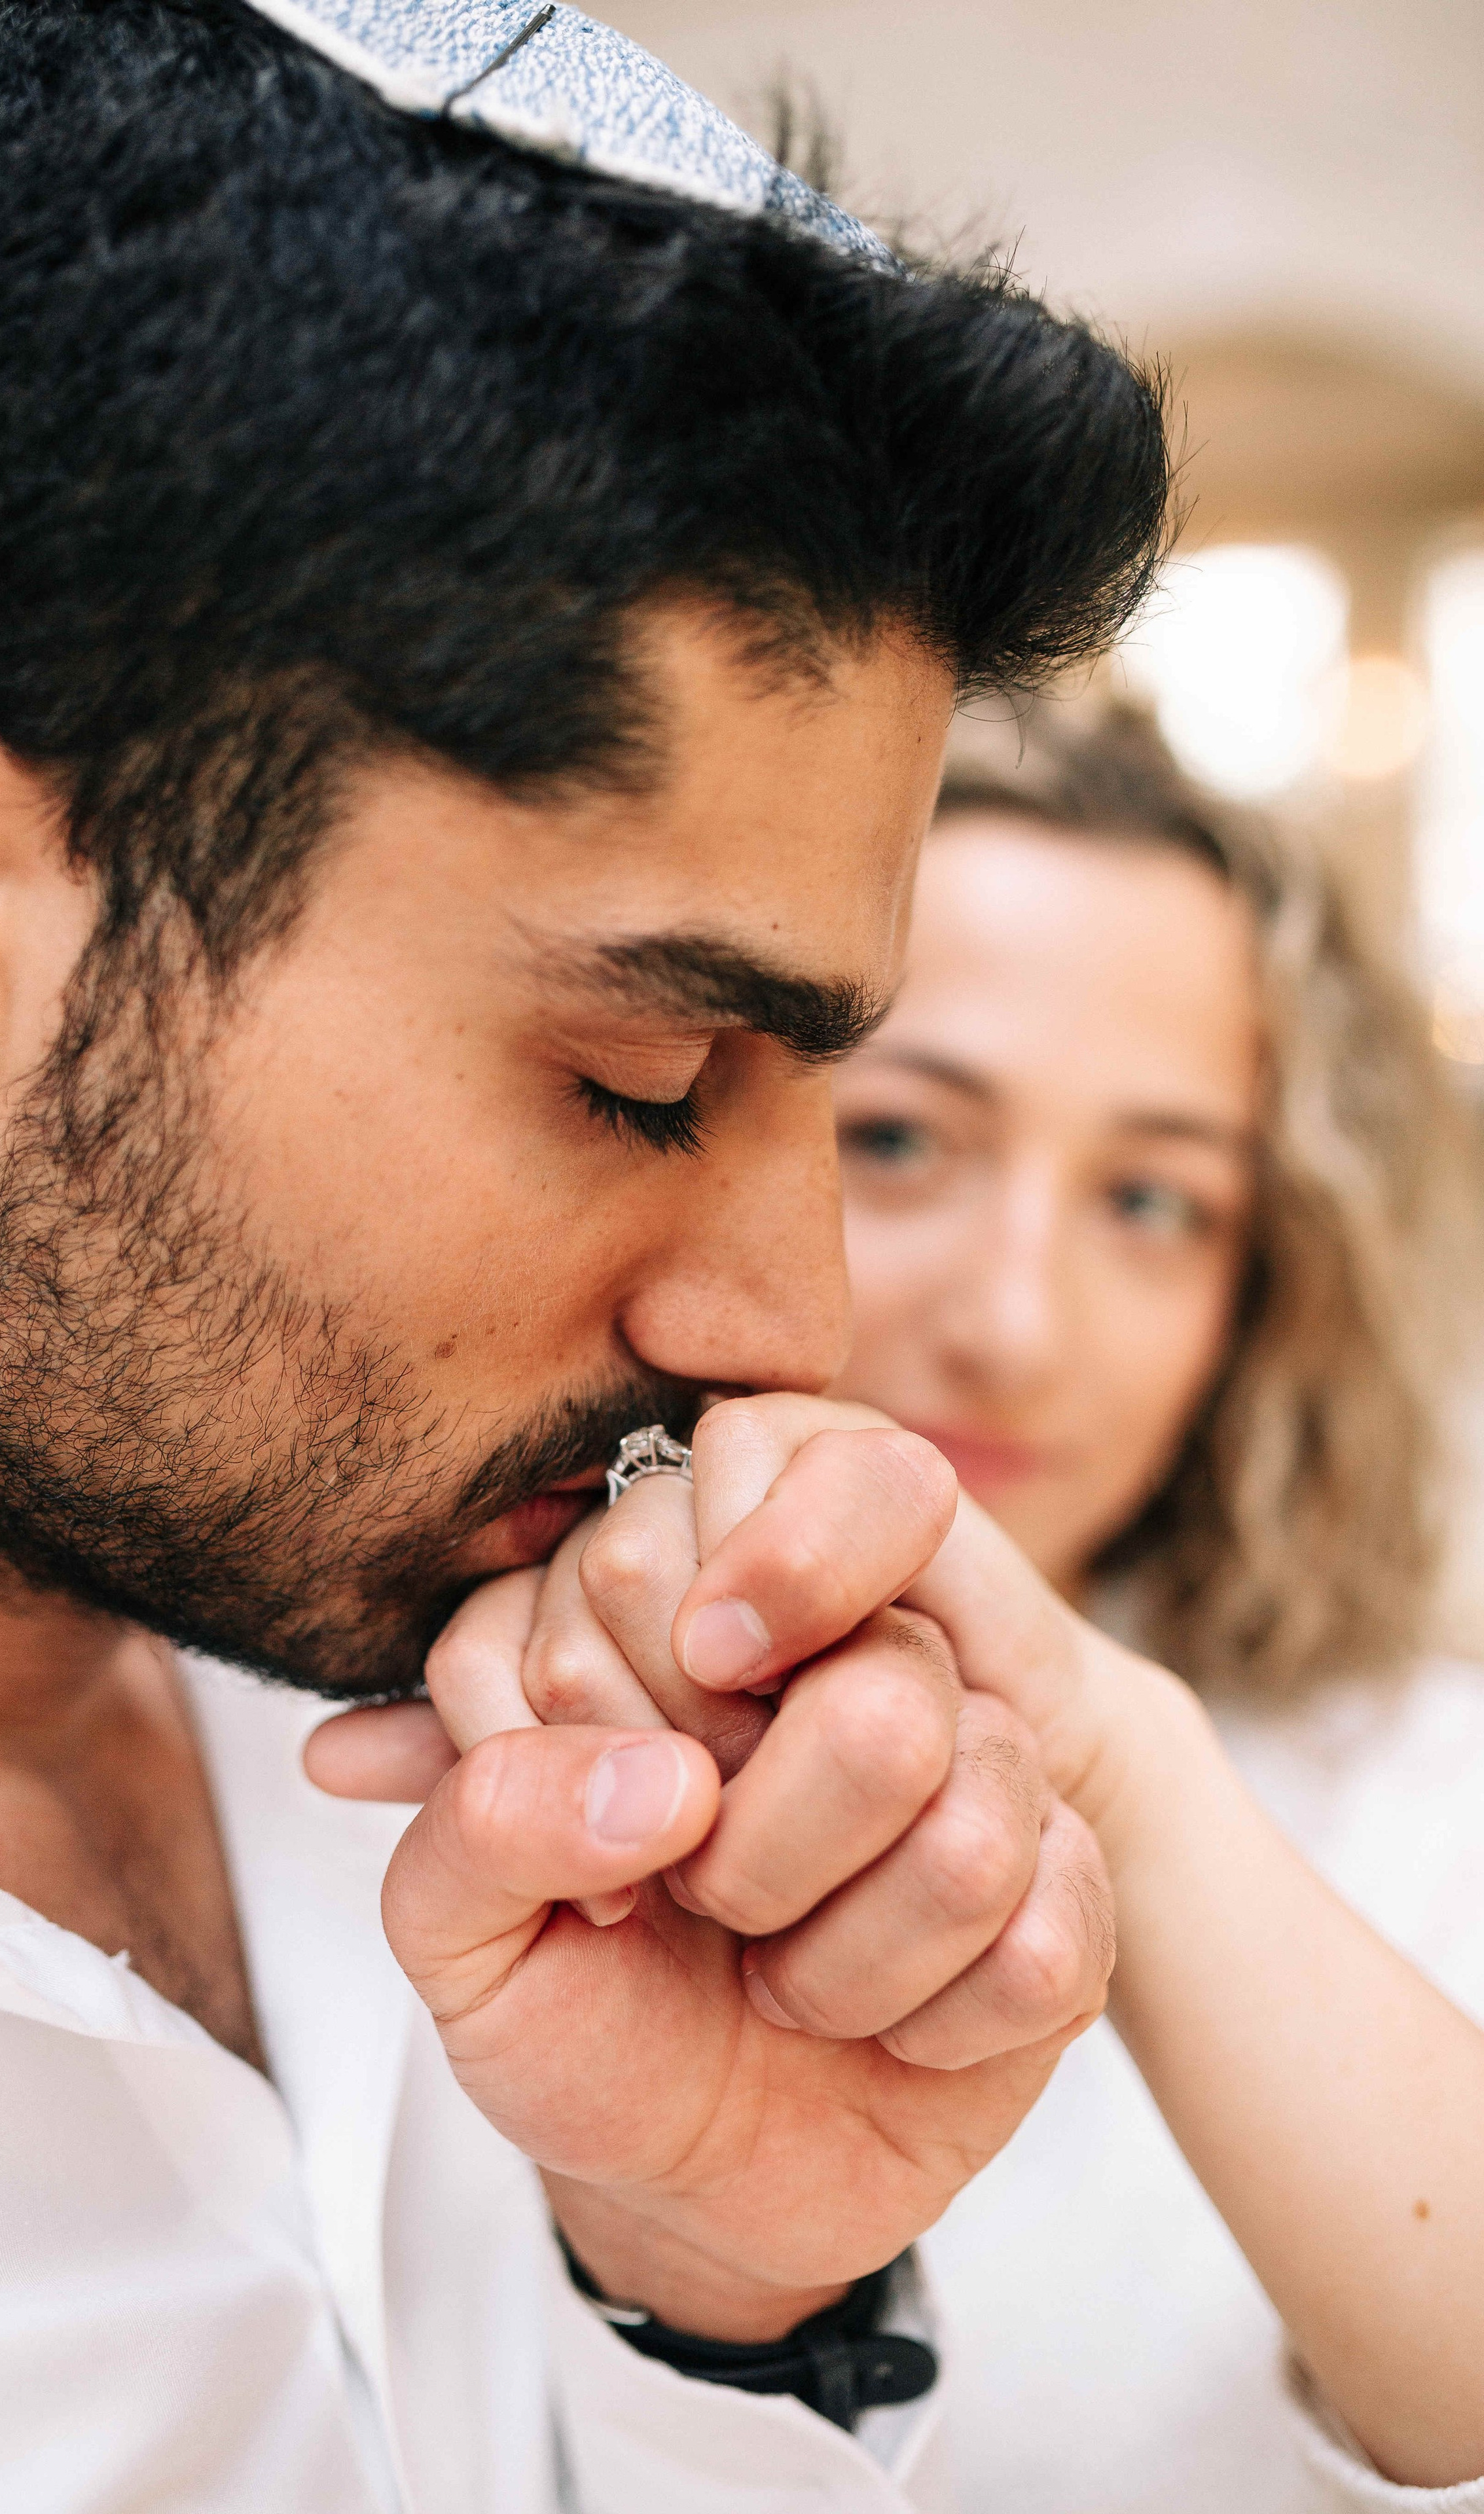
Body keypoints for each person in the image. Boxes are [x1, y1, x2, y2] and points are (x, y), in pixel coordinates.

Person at [0, 3, 1177, 2509]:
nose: (792, 1324)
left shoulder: (497, 1718)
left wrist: (723, 2311)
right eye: (639, 1083)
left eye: (826, 1106)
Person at [425, 698, 1484, 2511]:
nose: (1017, 1321)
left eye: (1152, 1200)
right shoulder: (432, 1745)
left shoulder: (1418, 1785)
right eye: (908, 1142)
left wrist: (1116, 1758)